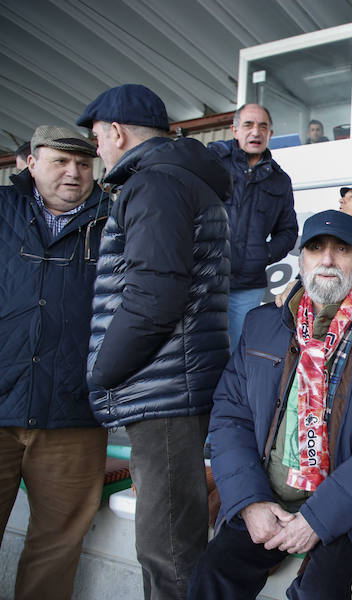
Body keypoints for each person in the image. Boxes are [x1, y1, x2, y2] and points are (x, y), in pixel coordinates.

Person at [190, 209, 352, 600]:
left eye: (342, 249)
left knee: (319, 593)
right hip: (269, 496)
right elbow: (230, 418)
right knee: (212, 577)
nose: (328, 259)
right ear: (301, 261)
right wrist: (249, 501)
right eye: (315, 248)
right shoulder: (264, 324)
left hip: (347, 507)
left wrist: (320, 518)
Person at [78, 83, 231, 600]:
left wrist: (102, 373)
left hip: (164, 390)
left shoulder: (156, 184)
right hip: (173, 383)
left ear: (117, 131)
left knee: (168, 553)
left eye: (97, 137)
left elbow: (155, 296)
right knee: (173, 546)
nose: (97, 149)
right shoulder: (176, 179)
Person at [0, 125, 109, 599]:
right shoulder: (2, 211)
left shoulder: (116, 221)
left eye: (84, 164)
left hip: (74, 414)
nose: (74, 172)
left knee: (55, 549)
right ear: (30, 161)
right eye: (60, 161)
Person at [209, 103, 298, 352]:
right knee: (200, 351)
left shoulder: (280, 180)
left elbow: (288, 231)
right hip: (206, 278)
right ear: (235, 130)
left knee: (238, 352)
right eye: (248, 125)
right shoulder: (213, 162)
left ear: (270, 133)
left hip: (248, 285)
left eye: (263, 126)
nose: (255, 132)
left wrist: (264, 254)